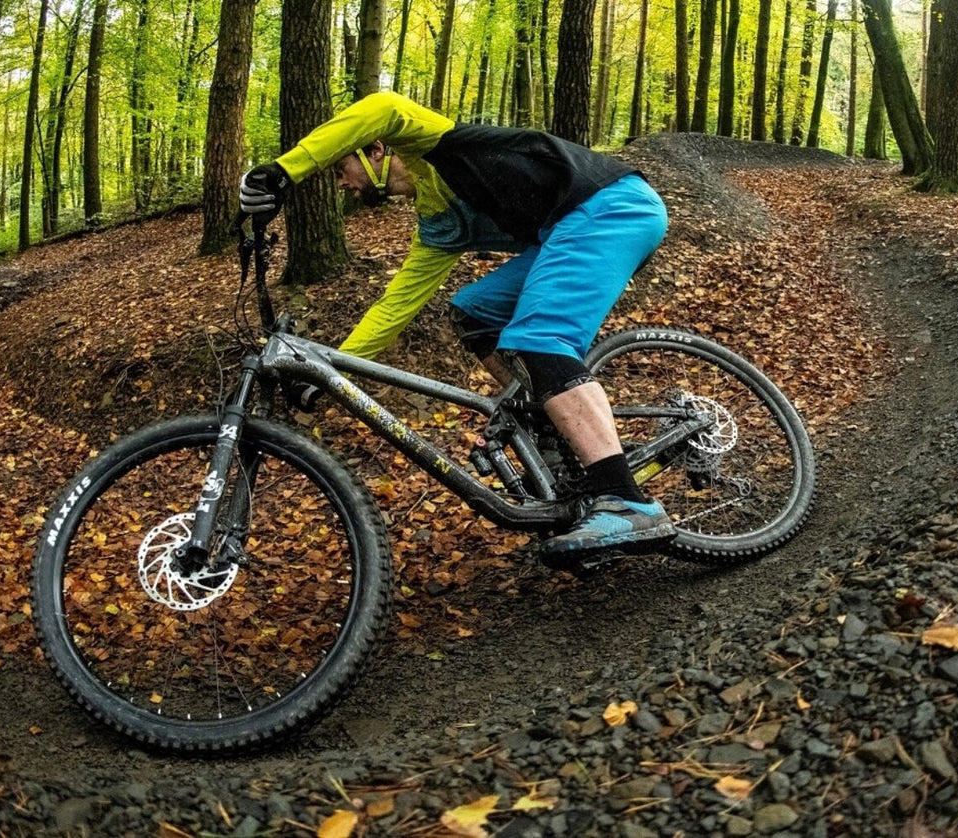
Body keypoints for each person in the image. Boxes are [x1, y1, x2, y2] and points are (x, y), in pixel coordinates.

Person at [239, 91, 674, 560]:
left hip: (610, 206)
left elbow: (382, 106)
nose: (340, 183)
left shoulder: (437, 144)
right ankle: (554, 430)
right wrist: (333, 370)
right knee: (474, 312)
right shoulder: (440, 224)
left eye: (340, 168)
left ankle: (628, 501)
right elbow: (395, 307)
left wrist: (285, 171)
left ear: (377, 150)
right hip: (565, 230)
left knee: (539, 337)